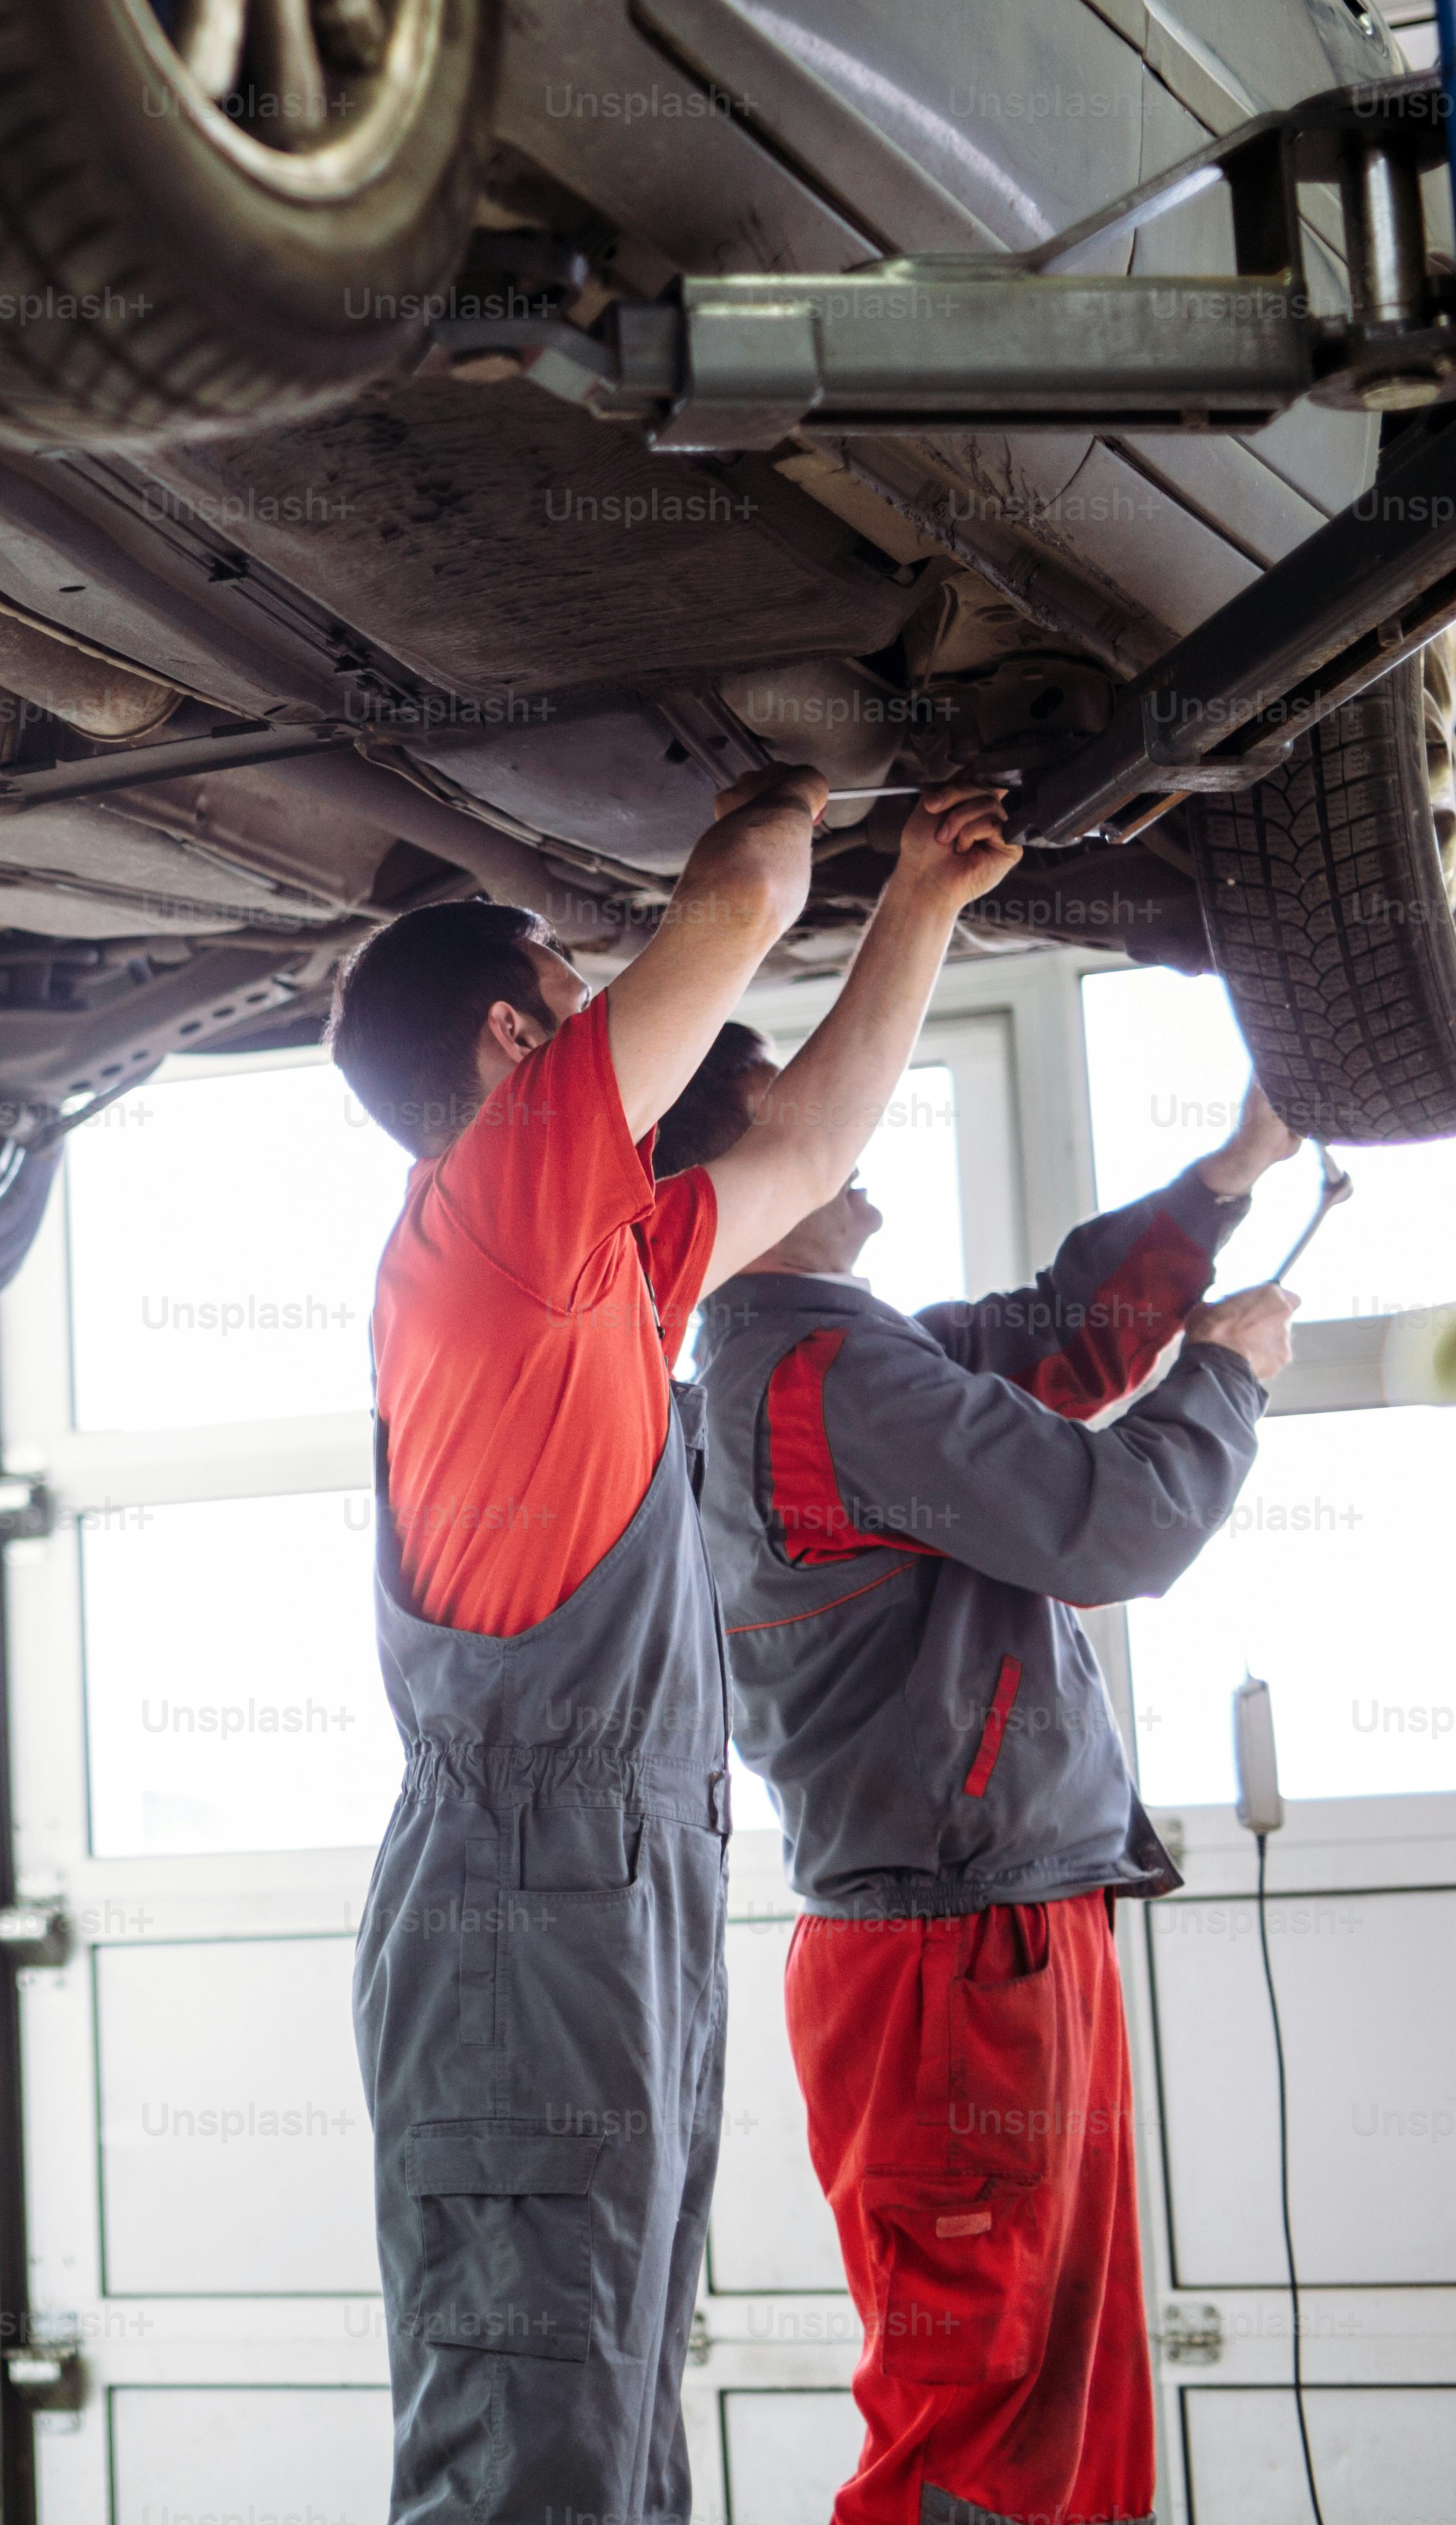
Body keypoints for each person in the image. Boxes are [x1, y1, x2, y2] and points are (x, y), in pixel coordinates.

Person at [325, 769, 1019, 2525]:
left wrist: (920, 906)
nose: (601, 1006)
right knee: (527, 2428)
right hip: (522, 1897)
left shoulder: (603, 1258)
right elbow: (725, 906)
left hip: (611, 1887)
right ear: (514, 1040)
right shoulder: (496, 1205)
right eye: (568, 978)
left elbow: (801, 1154)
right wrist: (805, 771)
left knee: (616, 2395)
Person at [661, 1061, 1301, 2525]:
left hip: (983, 1929)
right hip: (948, 1957)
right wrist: (1221, 1378)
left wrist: (1224, 1176)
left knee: (1061, 2393)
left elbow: (1045, 1350)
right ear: (743, 1179)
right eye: (788, 1092)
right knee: (978, 2410)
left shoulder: (820, 1360)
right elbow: (1108, 1522)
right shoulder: (822, 1381)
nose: (842, 1106)